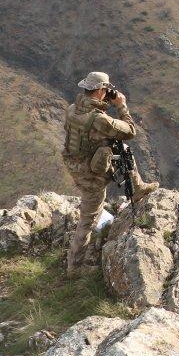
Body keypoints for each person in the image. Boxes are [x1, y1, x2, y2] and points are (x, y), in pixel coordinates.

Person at [62, 70, 158, 277]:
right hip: (90, 174)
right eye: (106, 90)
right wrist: (121, 105)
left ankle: (138, 188)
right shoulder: (99, 119)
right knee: (89, 218)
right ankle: (75, 268)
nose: (108, 93)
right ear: (99, 90)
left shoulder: (72, 109)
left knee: (121, 150)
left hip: (75, 165)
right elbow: (130, 131)